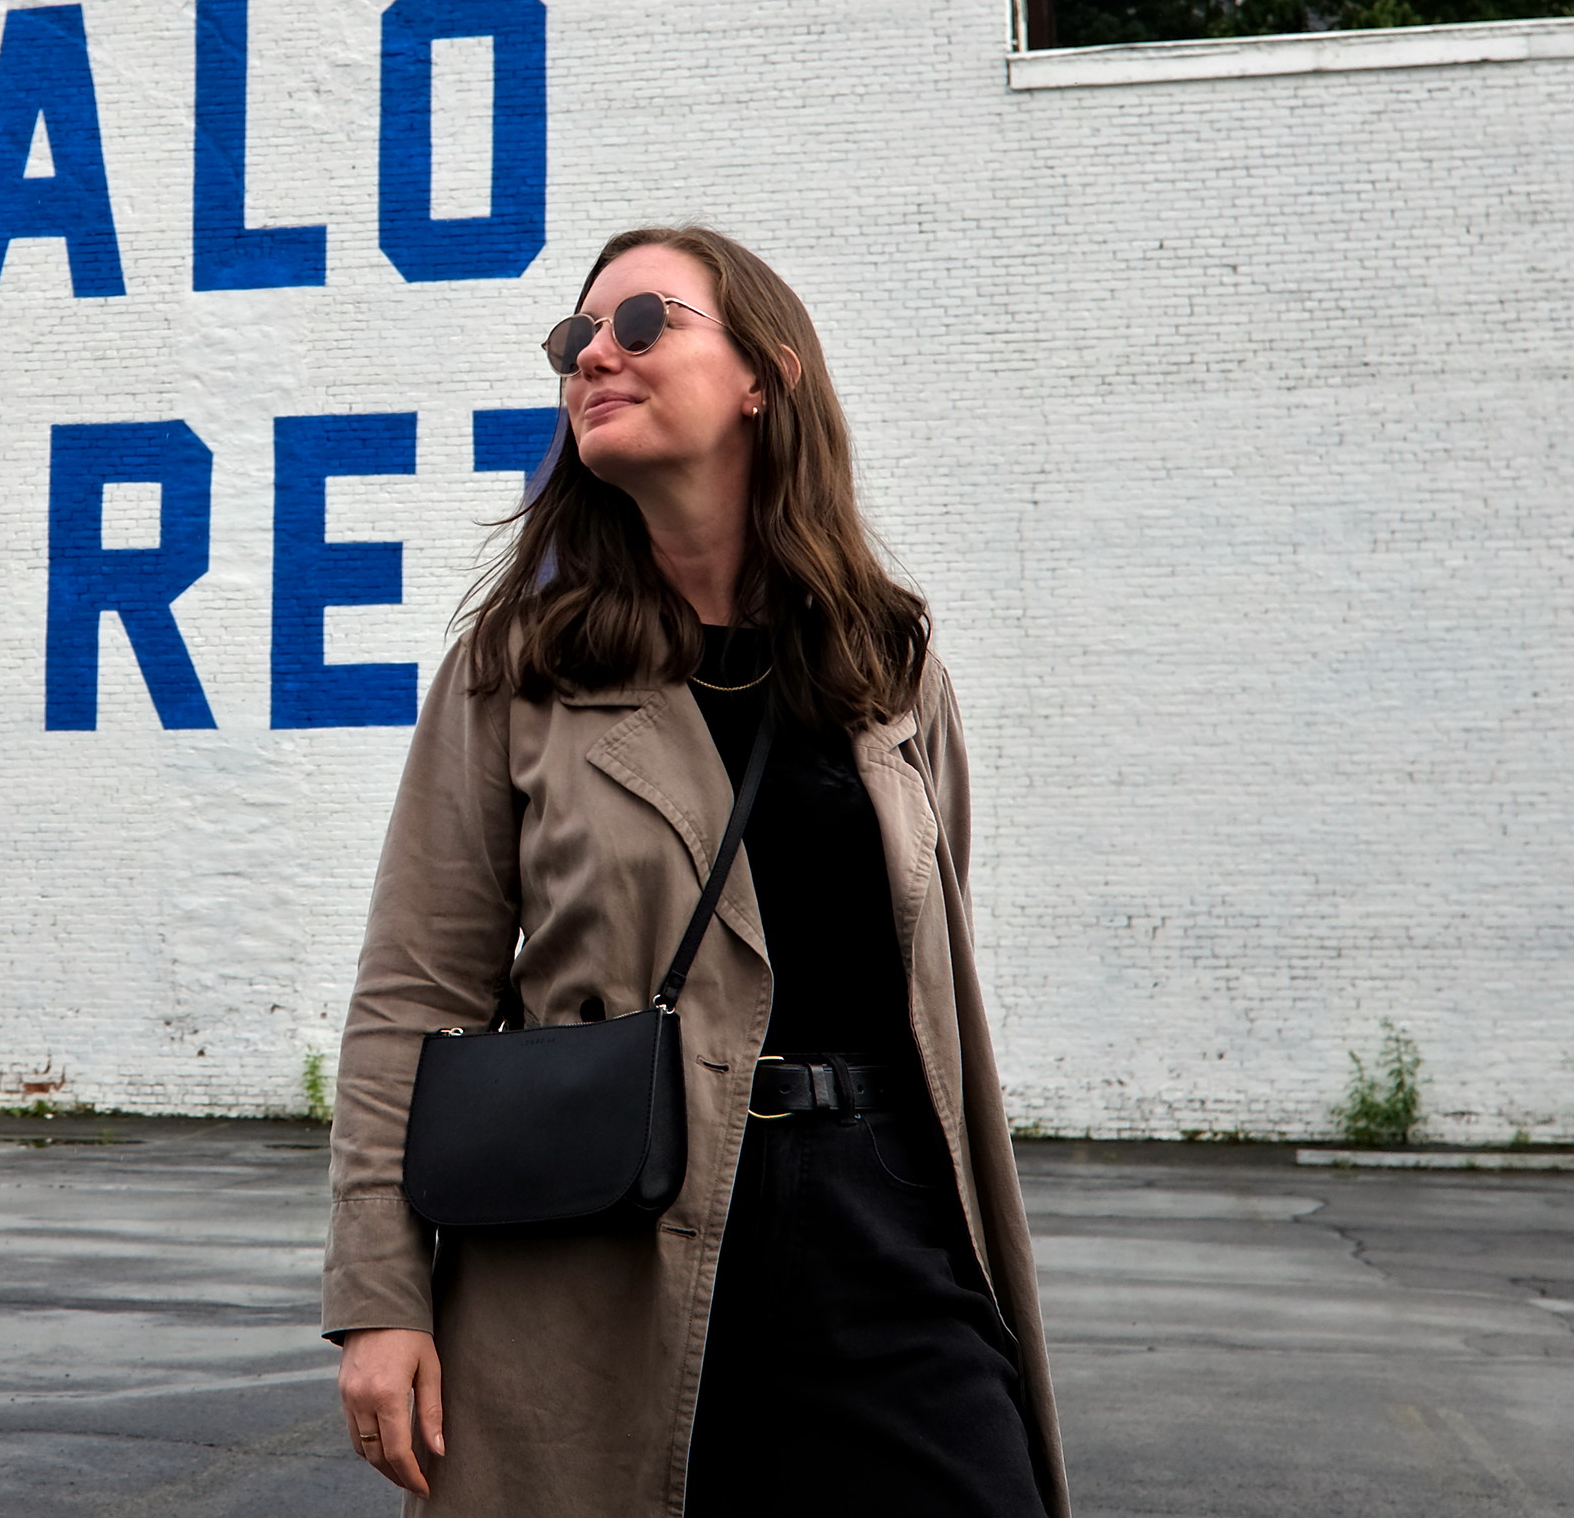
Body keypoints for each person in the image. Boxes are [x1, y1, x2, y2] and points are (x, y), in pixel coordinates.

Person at [321, 226, 1067, 1517]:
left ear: (765, 377)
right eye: (575, 341)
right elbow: (412, 997)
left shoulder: (890, 669)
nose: (594, 355)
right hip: (600, 1235)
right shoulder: (518, 674)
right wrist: (381, 1296)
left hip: (879, 1217)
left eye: (644, 324)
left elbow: (929, 968)